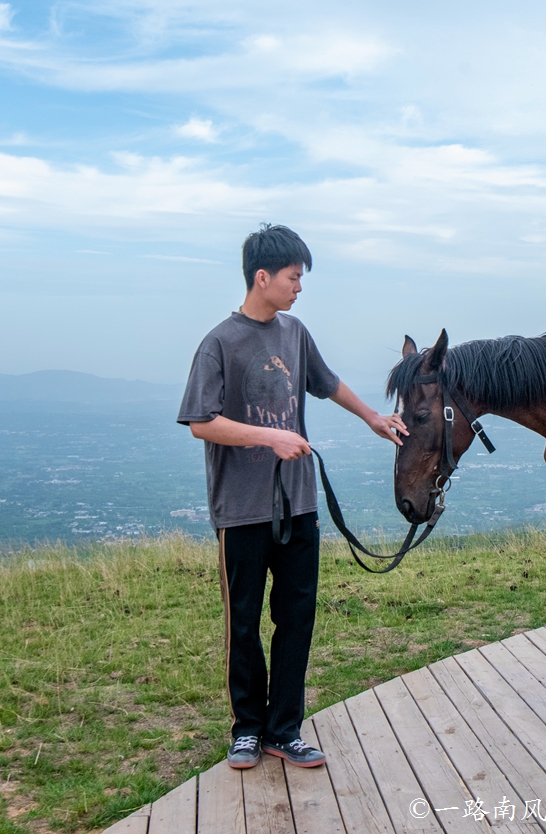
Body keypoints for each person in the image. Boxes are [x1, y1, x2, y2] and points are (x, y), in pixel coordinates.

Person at [177, 224, 407, 769]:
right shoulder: (219, 342)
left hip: (298, 504)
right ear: (263, 277)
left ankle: (284, 729)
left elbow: (326, 384)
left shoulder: (296, 333)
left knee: (297, 617)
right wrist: (271, 436)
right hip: (242, 509)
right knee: (245, 622)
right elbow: (200, 423)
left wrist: (374, 417)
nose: (299, 287)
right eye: (293, 277)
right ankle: (246, 730)